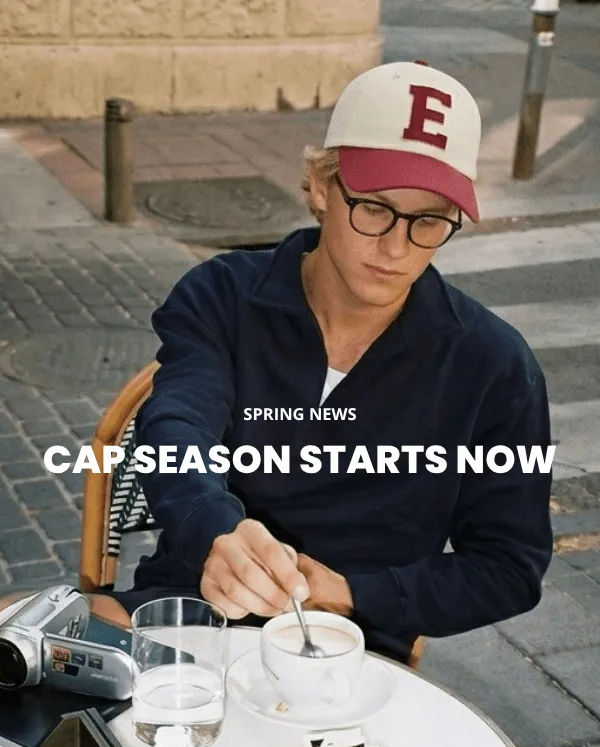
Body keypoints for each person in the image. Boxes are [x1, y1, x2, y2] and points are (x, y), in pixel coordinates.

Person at [97, 60, 553, 663]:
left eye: (430, 219)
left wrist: (352, 593)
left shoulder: (495, 365)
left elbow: (508, 566)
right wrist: (216, 531)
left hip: (350, 649)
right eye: (374, 207)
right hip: (191, 609)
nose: (395, 246)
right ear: (318, 185)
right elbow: (178, 425)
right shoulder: (222, 295)